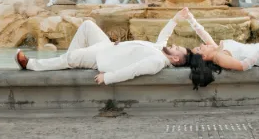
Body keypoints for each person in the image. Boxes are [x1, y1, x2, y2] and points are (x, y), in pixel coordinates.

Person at [15, 8, 193, 85]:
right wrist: (176, 19)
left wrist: (108, 78)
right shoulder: (160, 51)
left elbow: (132, 71)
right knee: (87, 26)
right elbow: (165, 36)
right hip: (107, 47)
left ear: (175, 58)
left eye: (178, 49)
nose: (175, 45)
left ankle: (30, 65)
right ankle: (70, 62)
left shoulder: (157, 62)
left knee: (72, 57)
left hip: (101, 58)